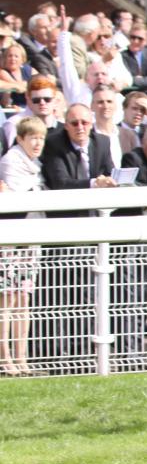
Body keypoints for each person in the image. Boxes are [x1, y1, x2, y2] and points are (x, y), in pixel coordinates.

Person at [0, 117, 46, 375]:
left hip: (30, 241)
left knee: (23, 302)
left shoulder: (34, 164)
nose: (38, 143)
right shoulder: (11, 161)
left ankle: (22, 359)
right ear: (20, 139)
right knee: (6, 301)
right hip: (10, 242)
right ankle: (5, 359)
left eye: (41, 138)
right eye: (33, 138)